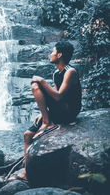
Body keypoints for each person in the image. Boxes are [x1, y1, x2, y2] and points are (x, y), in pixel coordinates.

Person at [21, 41, 82, 180]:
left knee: (36, 84)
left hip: (68, 112)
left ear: (59, 54)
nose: (50, 54)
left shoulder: (70, 71)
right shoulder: (56, 73)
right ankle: (26, 172)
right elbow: (52, 95)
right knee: (27, 135)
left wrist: (42, 81)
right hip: (57, 110)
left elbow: (59, 96)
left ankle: (47, 122)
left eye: (53, 52)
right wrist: (43, 112)